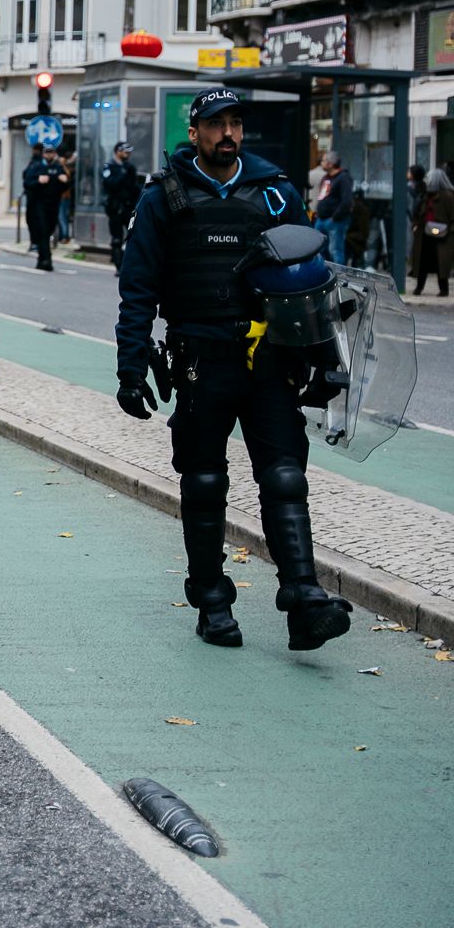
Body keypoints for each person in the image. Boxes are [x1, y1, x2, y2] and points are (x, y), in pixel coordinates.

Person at [115, 88, 353, 653]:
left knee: (285, 477)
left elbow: (310, 280)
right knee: (203, 482)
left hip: (270, 360)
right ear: (194, 131)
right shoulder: (163, 198)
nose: (229, 133)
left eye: (236, 124)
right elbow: (138, 287)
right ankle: (212, 601)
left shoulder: (275, 191)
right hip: (199, 360)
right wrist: (130, 365)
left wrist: (327, 362)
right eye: (217, 124)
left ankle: (304, 598)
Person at [21, 144, 68, 271]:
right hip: (39, 205)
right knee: (44, 231)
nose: (49, 155)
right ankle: (47, 260)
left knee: (49, 231)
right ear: (43, 154)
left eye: (51, 152)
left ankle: (42, 260)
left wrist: (64, 181)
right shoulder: (36, 166)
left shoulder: (58, 167)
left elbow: (67, 185)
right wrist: (38, 181)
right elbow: (27, 183)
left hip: (54, 205)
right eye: (47, 152)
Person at [100, 141, 143, 269]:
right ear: (118, 152)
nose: (128, 155)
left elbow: (134, 187)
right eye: (125, 152)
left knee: (133, 235)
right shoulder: (109, 166)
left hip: (129, 206)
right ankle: (118, 264)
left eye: (129, 152)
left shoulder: (130, 167)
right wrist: (122, 173)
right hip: (115, 207)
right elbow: (109, 184)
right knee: (117, 237)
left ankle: (130, 263)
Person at [413, 166, 454, 297]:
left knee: (441, 264)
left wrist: (449, 231)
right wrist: (415, 225)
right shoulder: (426, 195)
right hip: (425, 233)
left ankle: (444, 289)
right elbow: (419, 213)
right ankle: (419, 287)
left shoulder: (448, 197)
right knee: (423, 262)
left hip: (443, 236)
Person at [314, 151, 354, 265]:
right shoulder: (326, 177)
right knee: (320, 250)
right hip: (321, 219)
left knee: (335, 251)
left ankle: (339, 276)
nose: (322, 163)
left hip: (334, 221)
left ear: (331, 164)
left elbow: (347, 201)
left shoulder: (343, 178)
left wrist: (335, 217)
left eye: (324, 160)